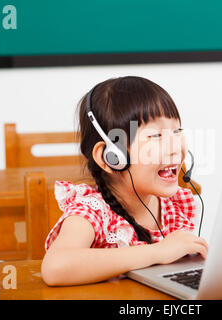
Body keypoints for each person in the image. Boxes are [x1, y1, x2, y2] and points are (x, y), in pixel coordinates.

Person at [41, 76, 208, 286]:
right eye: (156, 136)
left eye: (176, 132)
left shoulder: (175, 206)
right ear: (112, 157)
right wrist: (157, 252)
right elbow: (55, 268)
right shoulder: (93, 212)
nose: (174, 147)